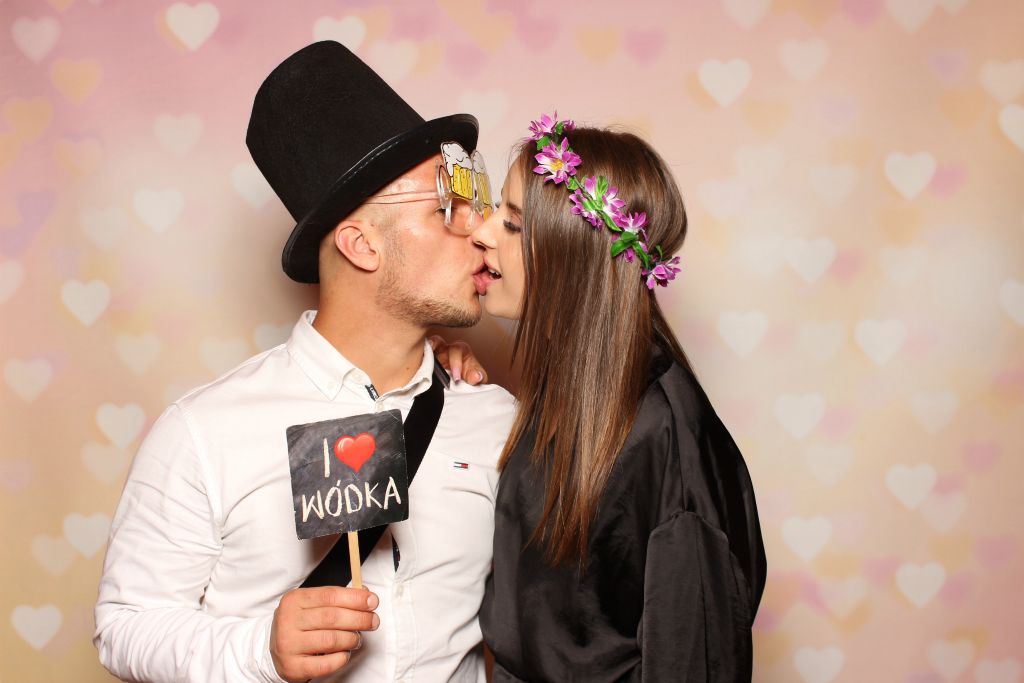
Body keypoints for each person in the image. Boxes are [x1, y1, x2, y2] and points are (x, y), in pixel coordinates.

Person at [93, 41, 514, 683]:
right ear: (361, 245)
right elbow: (125, 626)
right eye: (445, 211)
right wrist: (259, 650)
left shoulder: (495, 417)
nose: (481, 232)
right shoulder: (204, 431)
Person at [467, 115, 767, 681]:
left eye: (512, 222)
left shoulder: (665, 437)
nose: (481, 232)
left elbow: (695, 661)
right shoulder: (571, 395)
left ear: (575, 249)